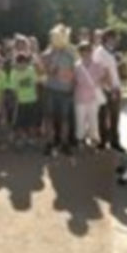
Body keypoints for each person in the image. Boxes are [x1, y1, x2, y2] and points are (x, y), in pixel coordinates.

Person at [42, 24, 77, 156]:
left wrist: (73, 85)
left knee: (65, 119)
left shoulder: (71, 51)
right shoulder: (49, 51)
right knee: (49, 118)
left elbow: (77, 69)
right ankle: (49, 143)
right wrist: (52, 59)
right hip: (51, 89)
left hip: (66, 90)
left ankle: (64, 143)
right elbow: (44, 67)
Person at [93, 29, 125, 152]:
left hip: (114, 87)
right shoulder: (100, 52)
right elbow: (102, 73)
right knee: (103, 116)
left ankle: (114, 142)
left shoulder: (112, 52)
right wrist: (112, 89)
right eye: (115, 37)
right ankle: (103, 141)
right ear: (108, 38)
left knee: (114, 116)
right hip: (105, 89)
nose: (117, 40)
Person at [74, 42, 108, 148]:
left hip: (93, 97)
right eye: (83, 50)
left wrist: (101, 85)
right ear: (80, 52)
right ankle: (81, 139)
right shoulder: (76, 66)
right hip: (80, 97)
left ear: (91, 52)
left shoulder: (97, 65)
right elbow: (73, 80)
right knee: (80, 120)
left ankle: (94, 139)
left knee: (93, 120)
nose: (86, 53)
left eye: (88, 50)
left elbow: (103, 77)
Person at [9, 53, 40, 148]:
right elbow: (14, 89)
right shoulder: (14, 72)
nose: (22, 64)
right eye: (20, 62)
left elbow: (35, 84)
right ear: (16, 63)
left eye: (24, 62)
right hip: (21, 102)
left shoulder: (31, 70)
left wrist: (36, 96)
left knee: (32, 122)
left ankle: (31, 139)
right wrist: (17, 100)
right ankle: (22, 139)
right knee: (20, 123)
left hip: (32, 100)